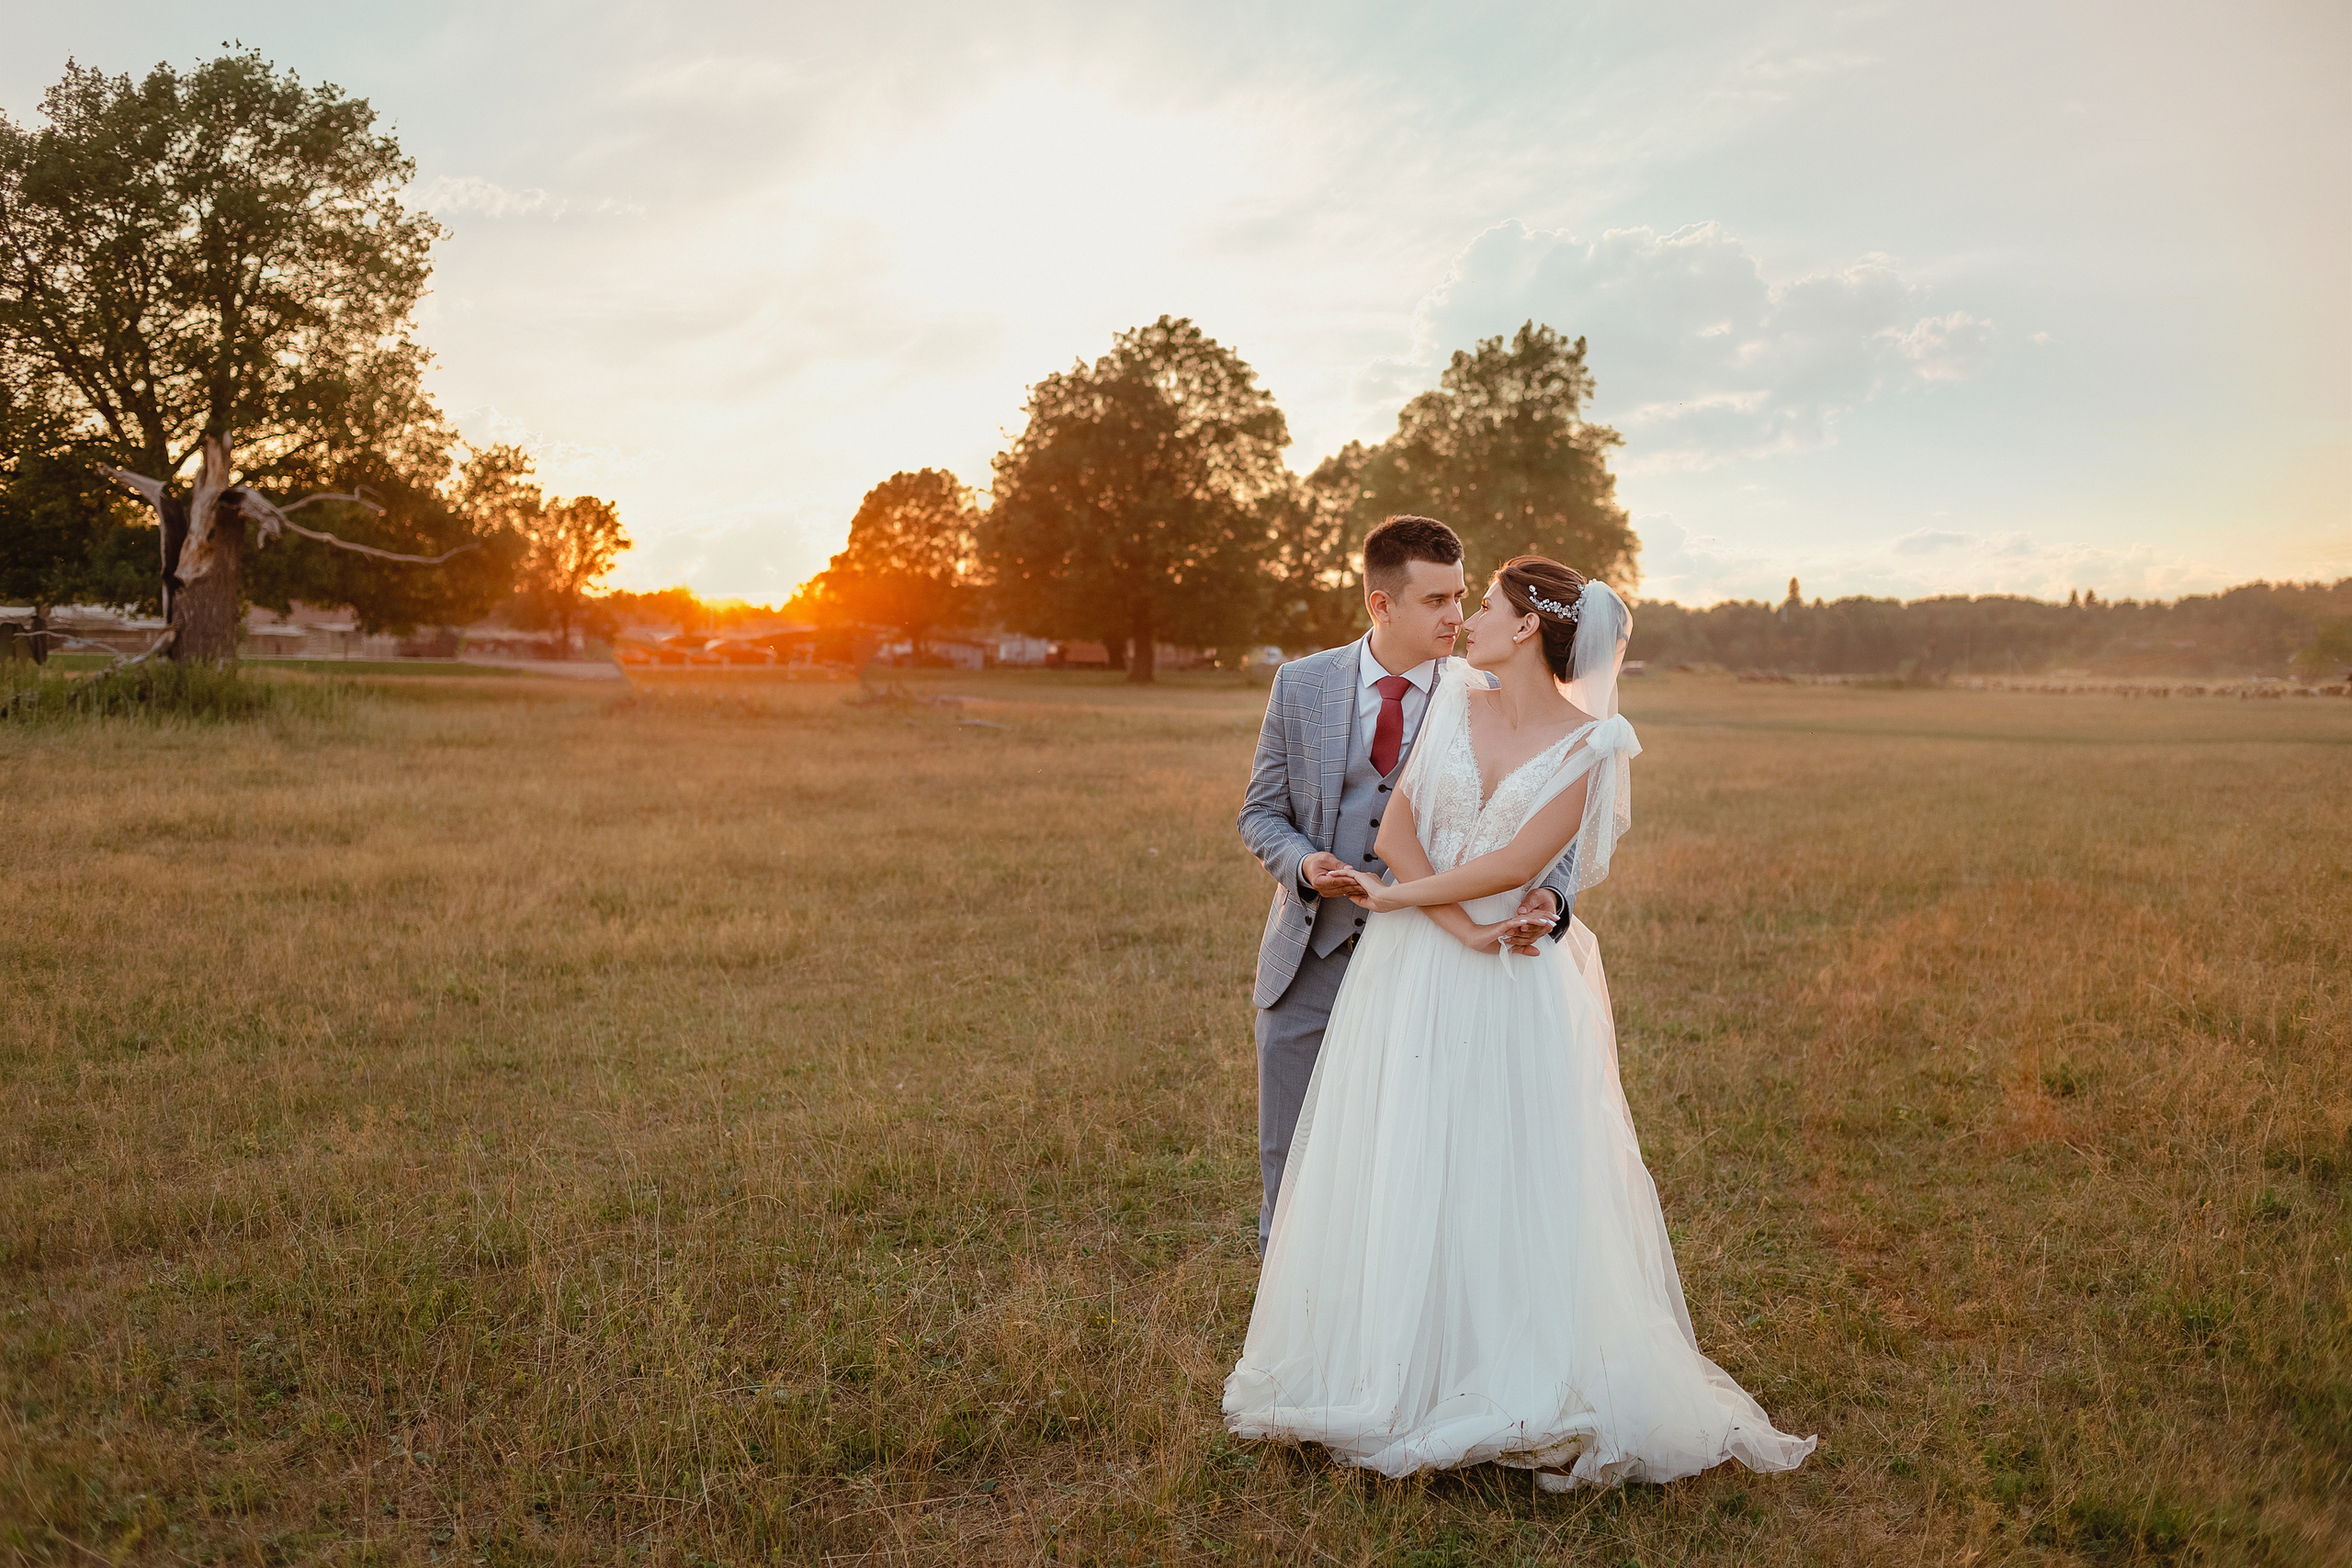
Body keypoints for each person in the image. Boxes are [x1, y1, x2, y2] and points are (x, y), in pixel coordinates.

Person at [1223, 555, 1817, 1491]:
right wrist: (1446, 922)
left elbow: (1520, 861)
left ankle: (1505, 1367)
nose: (1468, 620)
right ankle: (1387, 1360)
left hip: (1511, 981)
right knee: (1400, 1151)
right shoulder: (1456, 698)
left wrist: (1424, 907)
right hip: (1418, 963)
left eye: (1486, 605)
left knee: (1501, 1164)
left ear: (1529, 627)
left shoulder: (1594, 745)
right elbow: (1394, 834)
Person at [1238, 517, 1578, 1255]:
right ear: (1381, 605)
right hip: (1312, 959)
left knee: (1411, 1161)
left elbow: (1549, 819)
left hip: (1432, 969)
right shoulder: (1301, 684)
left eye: (1463, 596)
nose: (1457, 616)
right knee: (1291, 1154)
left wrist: (1554, 898)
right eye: (1436, 601)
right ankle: (1286, 1308)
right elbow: (1261, 810)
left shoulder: (1489, 689)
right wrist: (1303, 863)